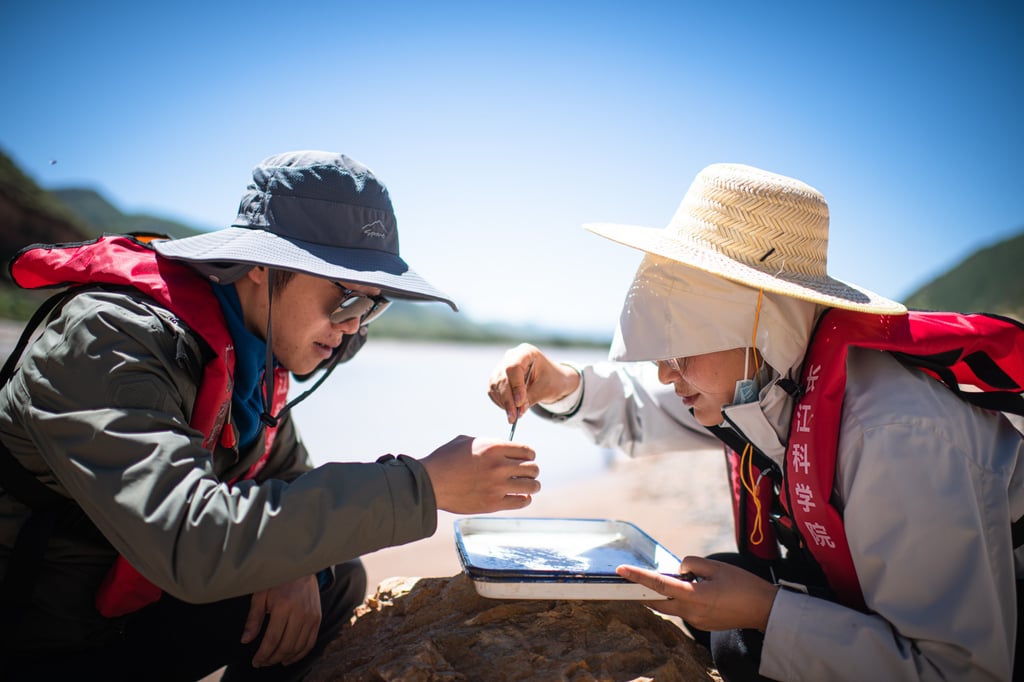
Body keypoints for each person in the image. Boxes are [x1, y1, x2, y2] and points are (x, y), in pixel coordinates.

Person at [0, 150, 540, 680]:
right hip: (35, 637)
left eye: (374, 305)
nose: (354, 326)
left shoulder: (252, 359)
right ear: (261, 264)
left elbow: (288, 479)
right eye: (347, 297)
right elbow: (191, 539)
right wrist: (423, 485)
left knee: (331, 576)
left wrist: (296, 562)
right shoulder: (110, 339)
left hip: (120, 621)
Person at [488, 163, 1024, 681]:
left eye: (682, 343)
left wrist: (768, 611)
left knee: (741, 641)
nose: (663, 369)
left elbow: (962, 669)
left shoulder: (894, 436)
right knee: (718, 585)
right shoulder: (768, 378)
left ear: (763, 325)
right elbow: (641, 410)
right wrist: (560, 382)